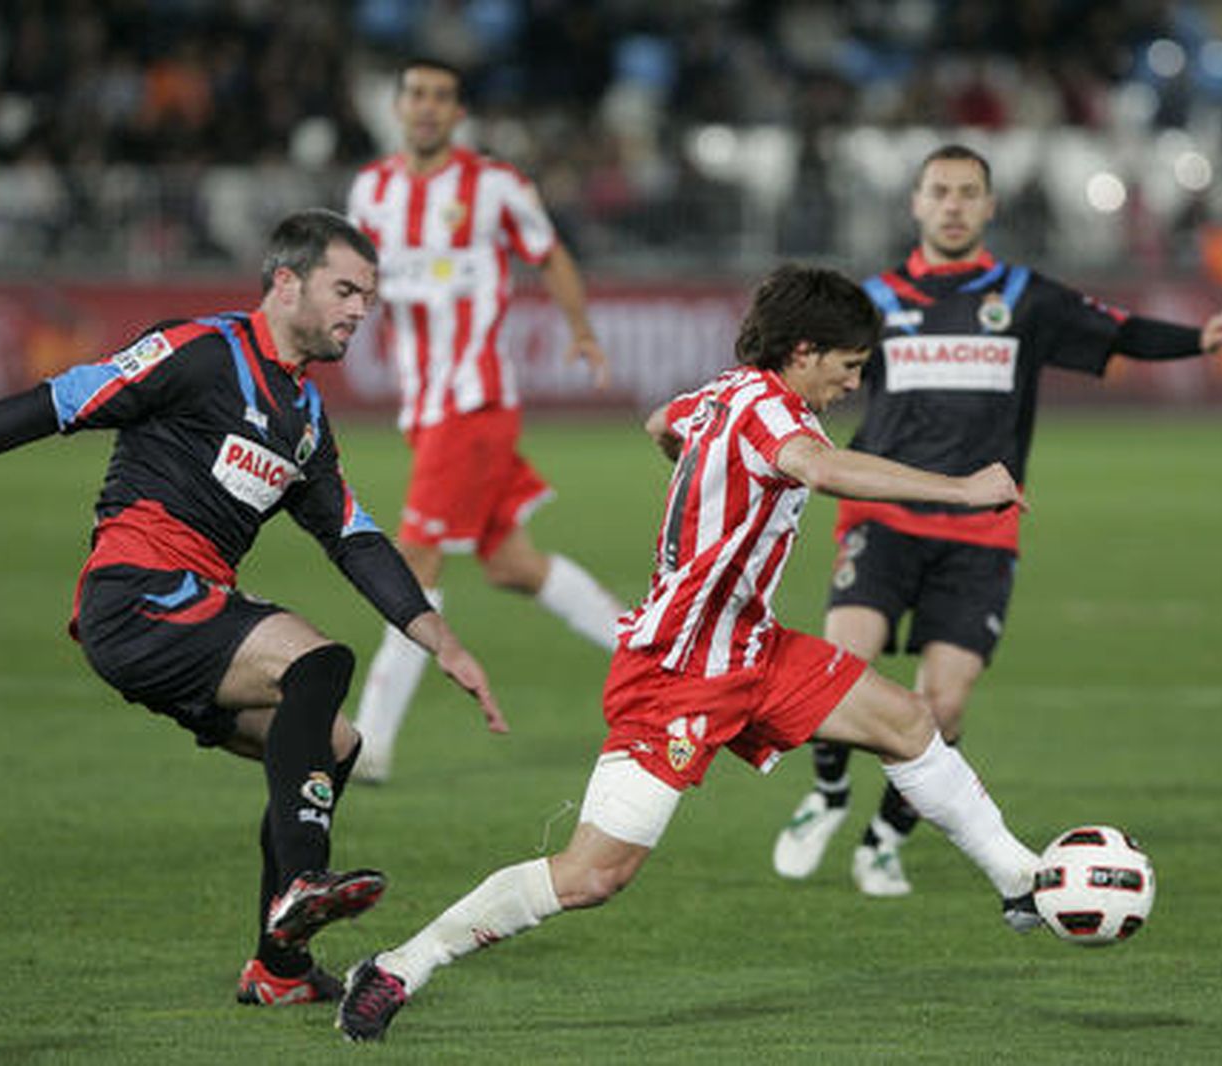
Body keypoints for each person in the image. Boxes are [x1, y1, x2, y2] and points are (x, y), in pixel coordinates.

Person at [334, 265, 1046, 1043]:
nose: (853, 384)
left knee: (908, 720)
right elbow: (823, 468)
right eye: (847, 367)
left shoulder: (725, 393)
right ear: (804, 352)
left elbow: (658, 423)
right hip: (674, 674)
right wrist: (963, 490)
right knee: (592, 876)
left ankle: (1019, 876)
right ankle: (404, 963)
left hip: (753, 648)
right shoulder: (779, 417)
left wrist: (702, 472)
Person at [0, 209, 506, 1006]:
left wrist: (442, 642)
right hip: (135, 596)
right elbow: (63, 400)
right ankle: (303, 883)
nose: (360, 310)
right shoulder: (201, 352)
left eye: (370, 297)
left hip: (190, 612)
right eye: (345, 289)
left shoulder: (305, 419)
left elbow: (354, 539)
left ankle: (278, 971)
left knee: (334, 743)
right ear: (285, 283)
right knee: (319, 661)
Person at [770, 144, 1222, 897]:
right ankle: (828, 796)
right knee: (844, 666)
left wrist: (1197, 340)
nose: (955, 204)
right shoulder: (873, 301)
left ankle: (883, 838)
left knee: (946, 704)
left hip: (980, 533)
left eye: (969, 192)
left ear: (990, 206)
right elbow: (810, 376)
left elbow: (1120, 330)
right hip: (883, 516)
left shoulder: (1024, 296)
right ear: (916, 203)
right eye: (940, 191)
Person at [344, 57, 622, 784]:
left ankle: (370, 743)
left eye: (441, 96)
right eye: (415, 94)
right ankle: (658, 656)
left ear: (458, 110)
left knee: (415, 562)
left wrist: (582, 331)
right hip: (426, 407)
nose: (427, 107)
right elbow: (351, 280)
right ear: (398, 106)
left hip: (475, 402)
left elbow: (550, 253)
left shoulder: (494, 185)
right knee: (510, 563)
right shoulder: (371, 191)